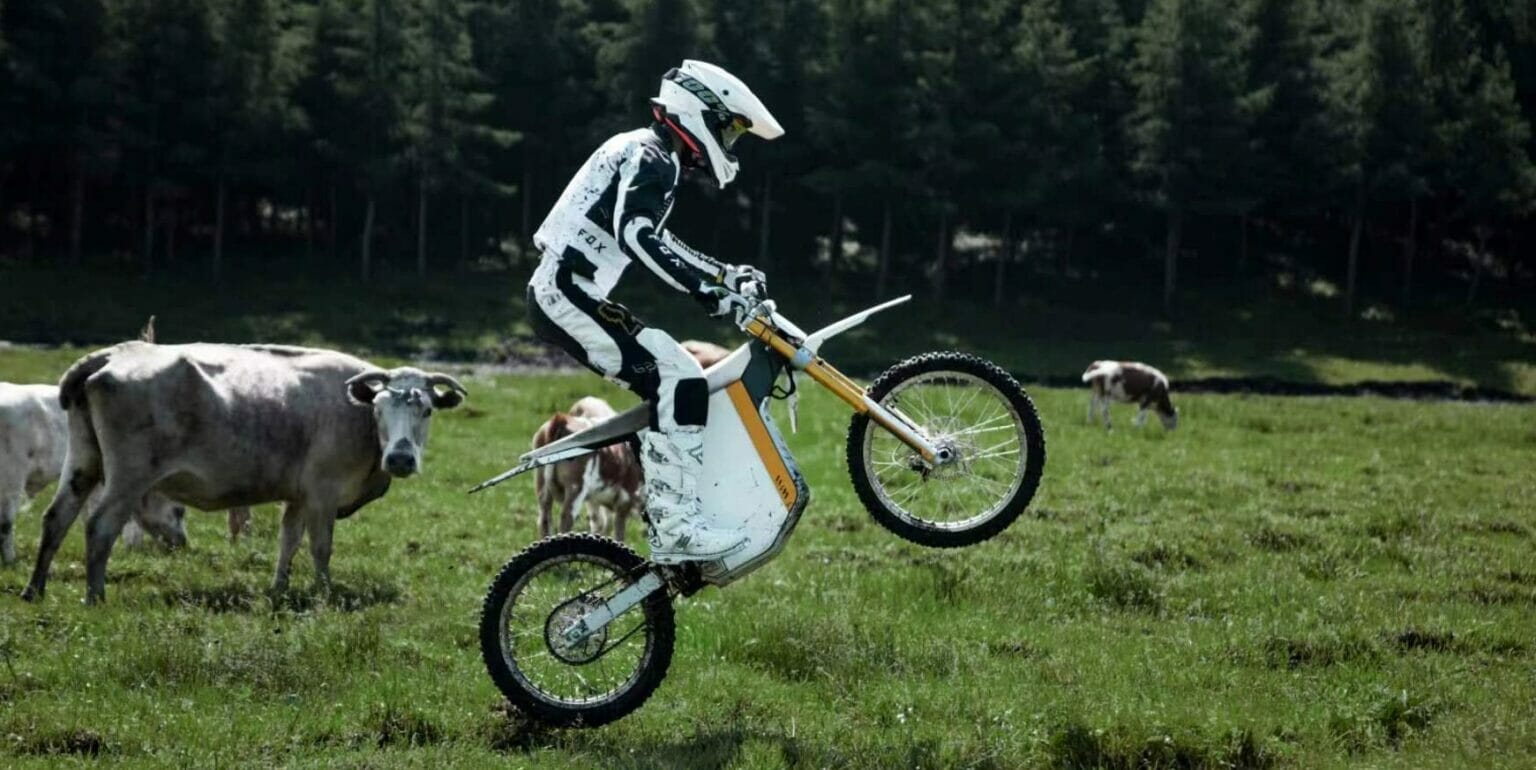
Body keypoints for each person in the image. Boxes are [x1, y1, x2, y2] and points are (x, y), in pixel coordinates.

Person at [525, 60, 784, 563]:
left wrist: (723, 276)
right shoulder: (651, 155)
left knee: (676, 376)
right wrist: (706, 291)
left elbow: (653, 237)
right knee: (681, 377)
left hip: (569, 291)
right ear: (699, 113)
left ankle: (669, 511)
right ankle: (676, 523)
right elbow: (637, 235)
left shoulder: (649, 151)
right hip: (564, 291)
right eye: (728, 130)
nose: (728, 146)